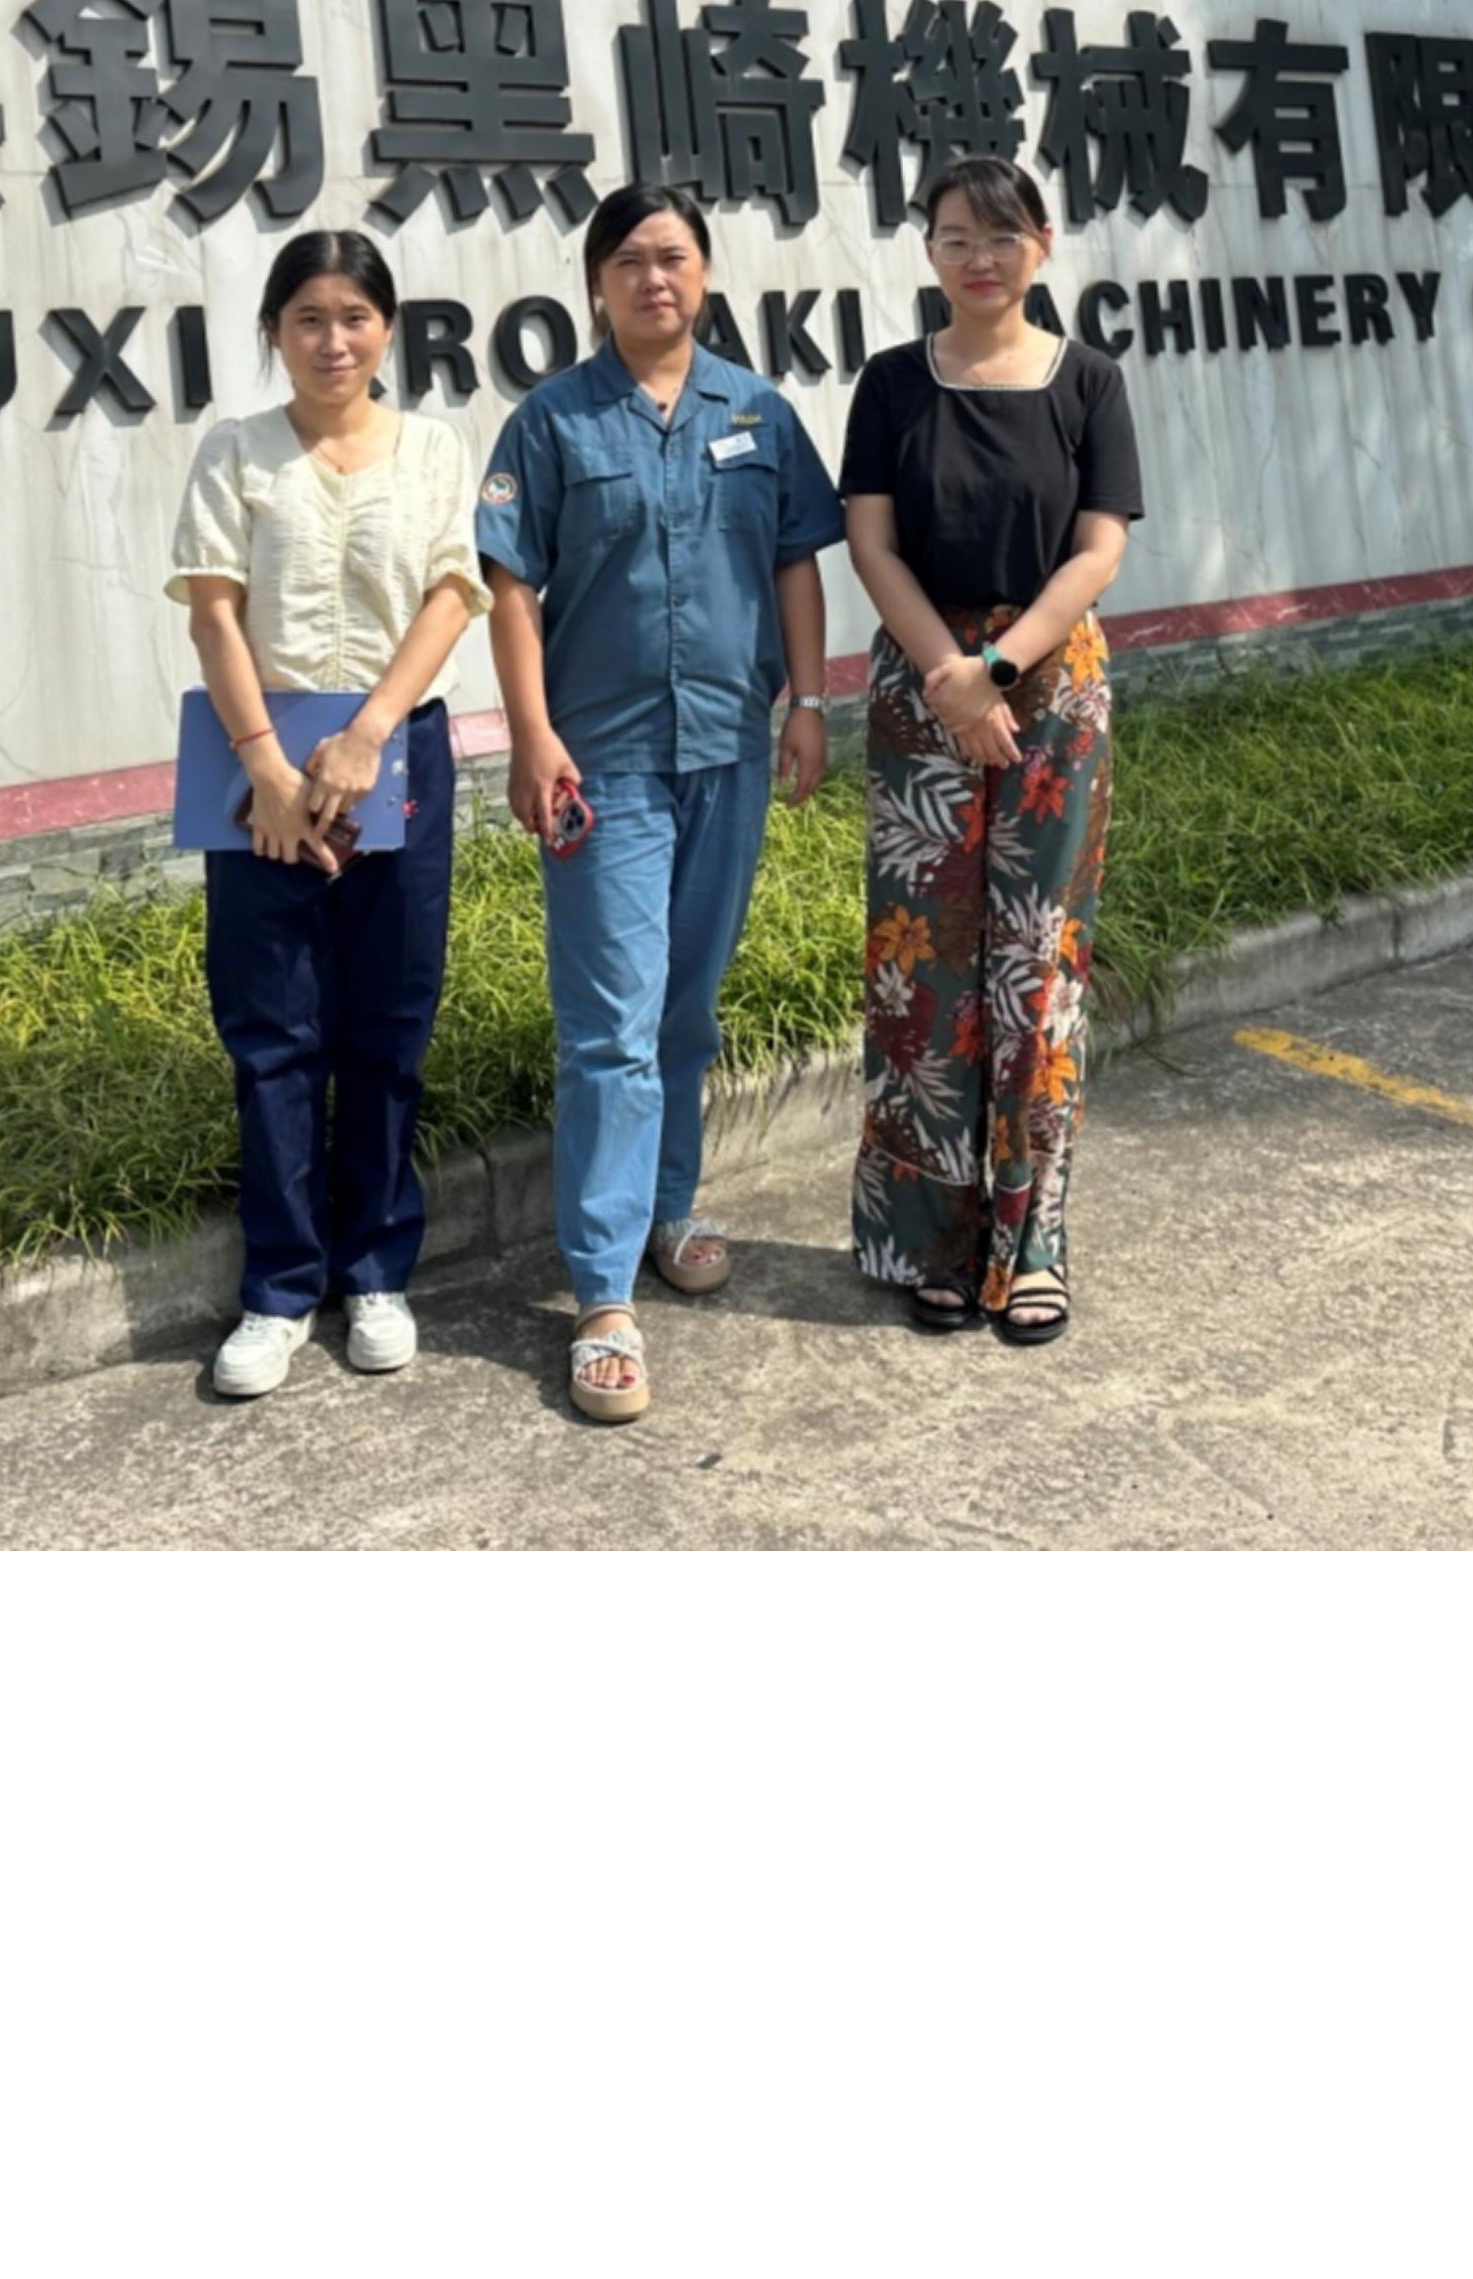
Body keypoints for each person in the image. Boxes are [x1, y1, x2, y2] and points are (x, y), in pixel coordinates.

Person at [476, 180, 845, 1424]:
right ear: (596, 283)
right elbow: (511, 589)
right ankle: (600, 1294)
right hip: (603, 763)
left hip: (726, 749)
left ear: (705, 274)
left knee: (686, 1006)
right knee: (610, 1027)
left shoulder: (756, 410)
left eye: (674, 257)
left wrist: (807, 702)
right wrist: (531, 735)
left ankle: (667, 1210)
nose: (654, 279)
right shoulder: (552, 421)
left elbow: (794, 560)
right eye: (630, 260)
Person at [166, 222, 492, 1400]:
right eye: (308, 318)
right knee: (272, 1031)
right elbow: (213, 610)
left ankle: (376, 1271)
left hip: (397, 753)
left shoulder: (433, 448)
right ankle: (279, 1288)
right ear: (273, 331)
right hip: (258, 761)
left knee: (388, 1021)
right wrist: (264, 764)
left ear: (386, 331)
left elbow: (453, 594)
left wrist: (369, 736)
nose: (332, 340)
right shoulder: (236, 451)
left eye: (355, 317)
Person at [838, 152, 1141, 1343]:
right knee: (924, 971)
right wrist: (948, 676)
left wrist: (998, 668)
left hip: (1051, 689)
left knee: (1036, 963)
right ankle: (933, 1243)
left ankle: (1030, 1244)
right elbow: (872, 545)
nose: (979, 258)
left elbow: (1098, 548)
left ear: (1042, 244)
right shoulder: (891, 383)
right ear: (928, 251)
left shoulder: (1088, 381)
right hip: (921, 694)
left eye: (1001, 236)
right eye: (955, 237)